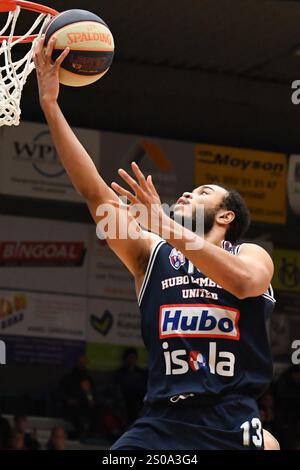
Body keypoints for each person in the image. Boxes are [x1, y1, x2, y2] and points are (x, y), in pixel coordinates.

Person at [33, 37, 278, 450]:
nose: (186, 194)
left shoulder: (249, 254)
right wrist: (51, 106)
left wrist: (163, 224)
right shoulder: (151, 254)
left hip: (229, 420)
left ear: (225, 216)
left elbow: (242, 284)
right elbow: (96, 195)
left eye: (202, 192)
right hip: (162, 421)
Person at [114, 348, 147, 424]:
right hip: (127, 399)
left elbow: (145, 386)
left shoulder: (141, 372)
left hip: (141, 398)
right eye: (130, 357)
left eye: (134, 357)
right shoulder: (120, 373)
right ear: (125, 358)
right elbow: (119, 388)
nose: (132, 360)